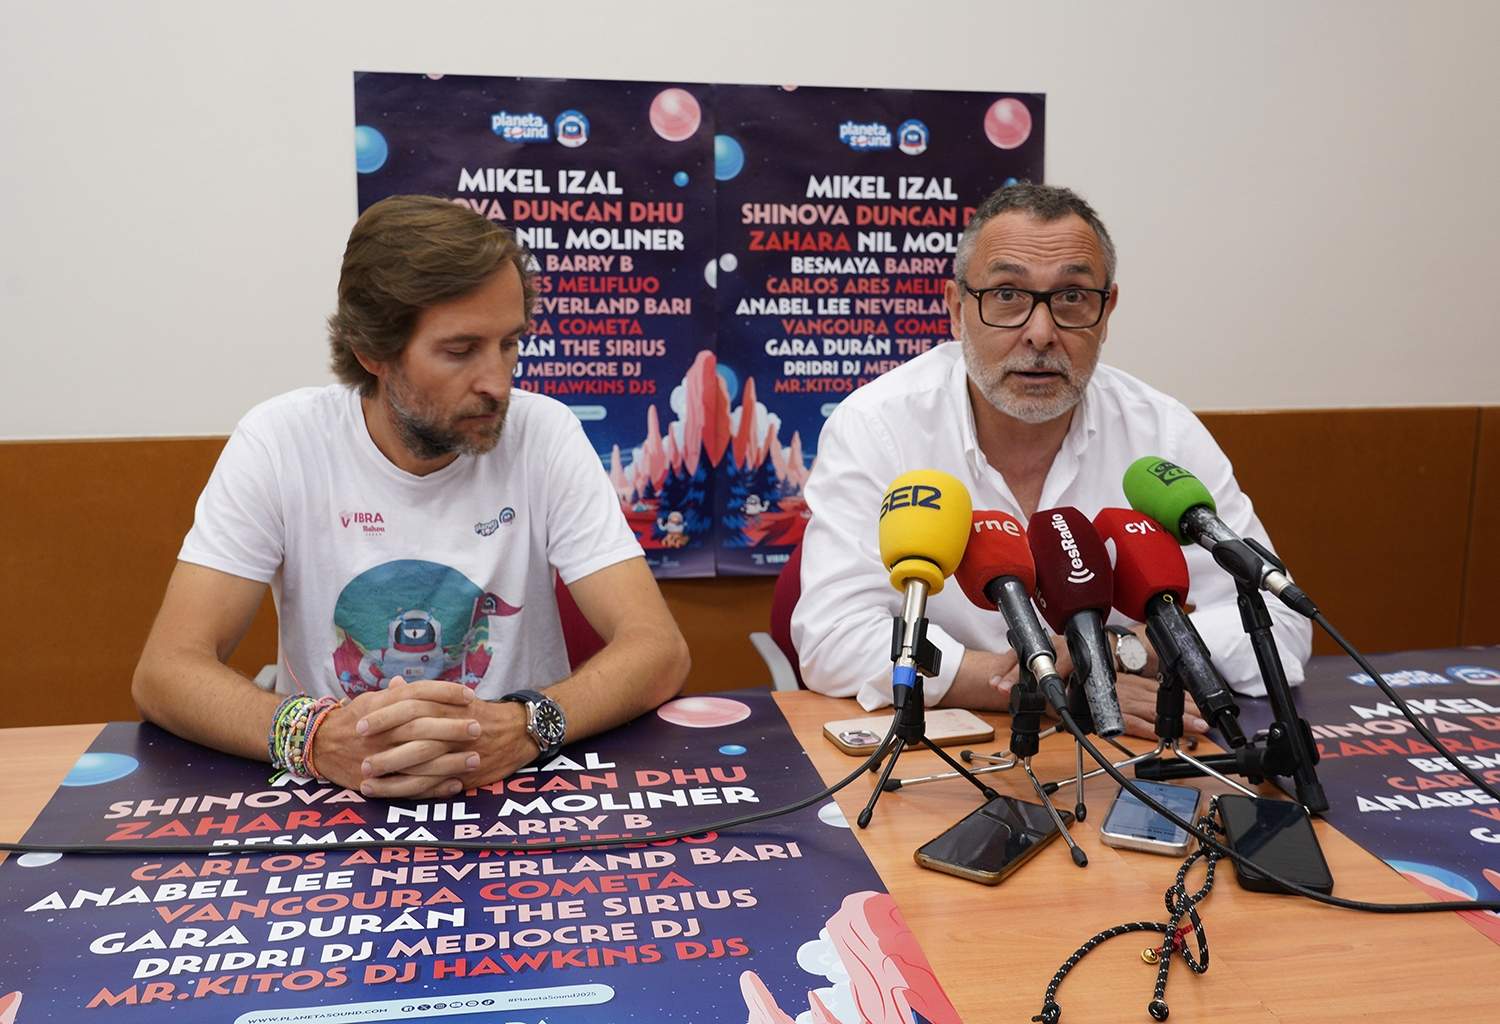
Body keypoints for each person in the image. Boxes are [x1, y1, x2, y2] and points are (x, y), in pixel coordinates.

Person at [133, 195, 690, 797]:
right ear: (371, 351)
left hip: (519, 787)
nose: (498, 383)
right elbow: (166, 672)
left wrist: (525, 726)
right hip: (335, 794)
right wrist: (320, 739)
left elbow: (658, 649)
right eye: (460, 351)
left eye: (509, 343)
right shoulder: (281, 441)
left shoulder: (544, 433)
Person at [792, 183, 1310, 738]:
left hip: (1127, 748)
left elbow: (1278, 625)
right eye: (1007, 295)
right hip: (952, 750)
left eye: (1071, 297)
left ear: (1106, 312)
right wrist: (1051, 686)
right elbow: (833, 637)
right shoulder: (879, 426)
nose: (1040, 333)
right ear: (957, 310)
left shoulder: (1163, 433)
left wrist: (1117, 651)